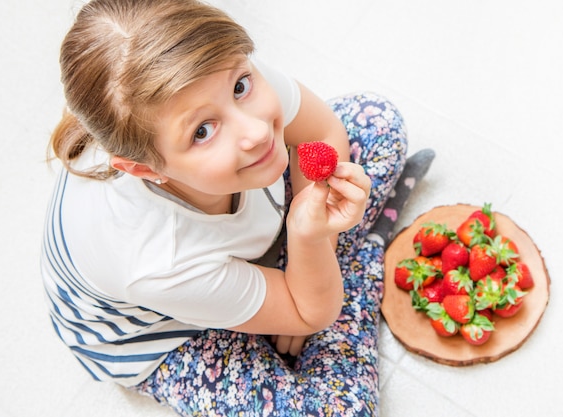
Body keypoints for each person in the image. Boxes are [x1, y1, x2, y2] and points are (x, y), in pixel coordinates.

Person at [41, 0, 434, 415]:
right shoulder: (158, 261)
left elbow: (321, 130)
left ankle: (298, 287)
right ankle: (361, 268)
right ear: (144, 168)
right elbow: (309, 313)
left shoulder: (212, 82)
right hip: (169, 328)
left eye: (241, 86)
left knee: (377, 123)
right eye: (203, 132)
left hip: (231, 244)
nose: (256, 131)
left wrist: (313, 236)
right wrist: (307, 253)